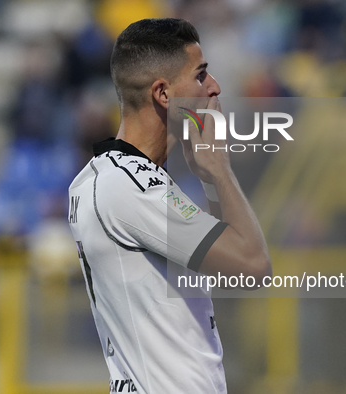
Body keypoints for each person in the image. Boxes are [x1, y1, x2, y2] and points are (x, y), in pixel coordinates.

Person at [68, 18, 271, 393]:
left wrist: (209, 178)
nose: (214, 87)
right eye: (201, 75)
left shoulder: (109, 178)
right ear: (163, 94)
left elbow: (231, 276)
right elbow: (254, 266)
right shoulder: (130, 188)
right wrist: (221, 171)